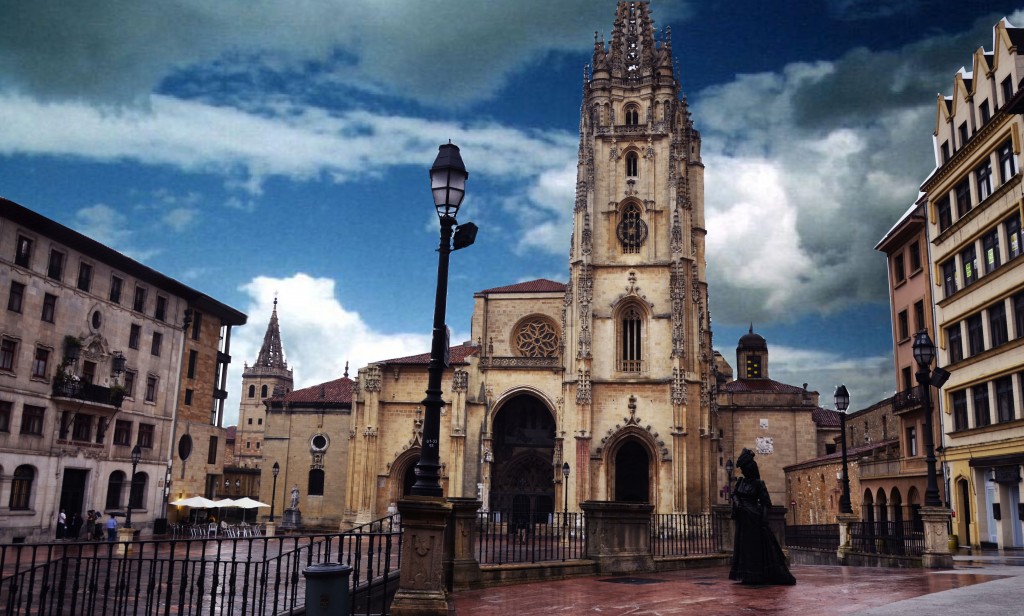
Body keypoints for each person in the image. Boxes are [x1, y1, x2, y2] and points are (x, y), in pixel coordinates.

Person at [728, 448, 796, 585]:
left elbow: (765, 503)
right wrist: (737, 503)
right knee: (744, 547)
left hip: (754, 519)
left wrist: (763, 520)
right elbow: (734, 494)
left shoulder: (758, 484)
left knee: (755, 548)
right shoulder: (740, 482)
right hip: (743, 520)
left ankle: (757, 575)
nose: (743, 472)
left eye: (745, 469)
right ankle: (746, 575)